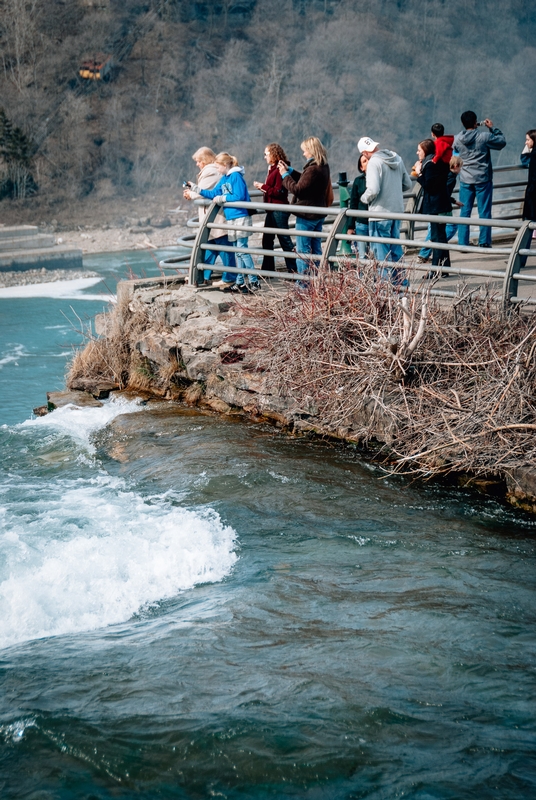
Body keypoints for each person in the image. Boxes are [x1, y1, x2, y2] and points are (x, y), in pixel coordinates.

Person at [194, 152, 260, 293]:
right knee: (237, 251)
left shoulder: (236, 176)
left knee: (242, 249)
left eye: (218, 166)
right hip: (231, 218)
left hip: (241, 216)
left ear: (225, 165)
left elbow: (239, 195)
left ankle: (254, 281)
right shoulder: (225, 178)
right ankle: (240, 282)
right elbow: (213, 193)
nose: (217, 169)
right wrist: (196, 189)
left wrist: (222, 198)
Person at [357, 136, 412, 284]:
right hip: (396, 211)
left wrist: (363, 199)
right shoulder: (397, 158)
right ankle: (401, 283)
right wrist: (392, 190)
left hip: (379, 213)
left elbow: (373, 189)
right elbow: (407, 184)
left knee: (381, 252)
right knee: (395, 249)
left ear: (364, 152)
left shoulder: (374, 162)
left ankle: (384, 285)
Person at [278, 136, 332, 280]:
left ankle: (303, 285)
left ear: (311, 150)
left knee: (303, 252)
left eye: (305, 151)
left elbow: (298, 189)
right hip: (318, 213)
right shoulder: (323, 166)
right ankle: (317, 281)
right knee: (316, 250)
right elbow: (305, 180)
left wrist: (284, 175)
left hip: (307, 214)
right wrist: (290, 170)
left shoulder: (313, 169)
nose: (303, 154)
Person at [453, 111, 506, 248]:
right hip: (483, 178)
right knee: (484, 211)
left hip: (465, 179)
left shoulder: (458, 138)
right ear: (476, 122)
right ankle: (484, 242)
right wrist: (492, 128)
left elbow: (454, 151)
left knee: (465, 211)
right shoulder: (484, 137)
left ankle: (463, 243)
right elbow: (501, 142)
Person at [183, 146, 236, 285]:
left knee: (224, 247)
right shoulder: (212, 171)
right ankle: (202, 276)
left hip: (217, 217)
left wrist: (190, 194)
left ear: (205, 160)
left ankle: (229, 276)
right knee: (210, 247)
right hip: (212, 217)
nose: (197, 164)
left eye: (199, 161)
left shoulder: (211, 171)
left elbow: (203, 190)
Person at [253, 143, 295, 272]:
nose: (264, 157)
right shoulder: (273, 169)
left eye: (266, 154)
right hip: (272, 209)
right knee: (268, 239)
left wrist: (263, 187)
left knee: (284, 240)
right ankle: (268, 269)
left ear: (273, 154)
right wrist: (264, 188)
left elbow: (279, 191)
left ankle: (294, 270)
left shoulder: (279, 169)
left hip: (279, 209)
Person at [413, 139, 453, 275]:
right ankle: (445, 268)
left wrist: (419, 172)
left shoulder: (430, 165)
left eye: (419, 150)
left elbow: (429, 186)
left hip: (436, 206)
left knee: (436, 238)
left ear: (426, 150)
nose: (417, 152)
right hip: (442, 203)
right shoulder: (438, 162)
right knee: (441, 237)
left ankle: (435, 270)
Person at [418, 155, 463, 263]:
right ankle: (430, 252)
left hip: (435, 206)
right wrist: (452, 200)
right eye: (460, 167)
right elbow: (444, 192)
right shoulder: (451, 178)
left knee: (436, 231)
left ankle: (429, 255)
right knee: (444, 231)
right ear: (456, 166)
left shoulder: (442, 173)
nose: (461, 169)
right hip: (441, 206)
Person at [347, 154, 370, 259]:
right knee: (363, 255)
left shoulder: (380, 179)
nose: (368, 162)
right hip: (362, 223)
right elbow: (353, 203)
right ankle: (363, 275)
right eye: (364, 161)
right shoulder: (358, 181)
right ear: (361, 167)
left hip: (377, 222)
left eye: (369, 159)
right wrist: (350, 227)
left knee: (376, 254)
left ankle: (378, 276)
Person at [520, 129, 536, 267]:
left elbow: (524, 160)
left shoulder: (534, 156)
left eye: (528, 140)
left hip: (533, 196)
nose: (526, 142)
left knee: (527, 227)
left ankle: (521, 260)